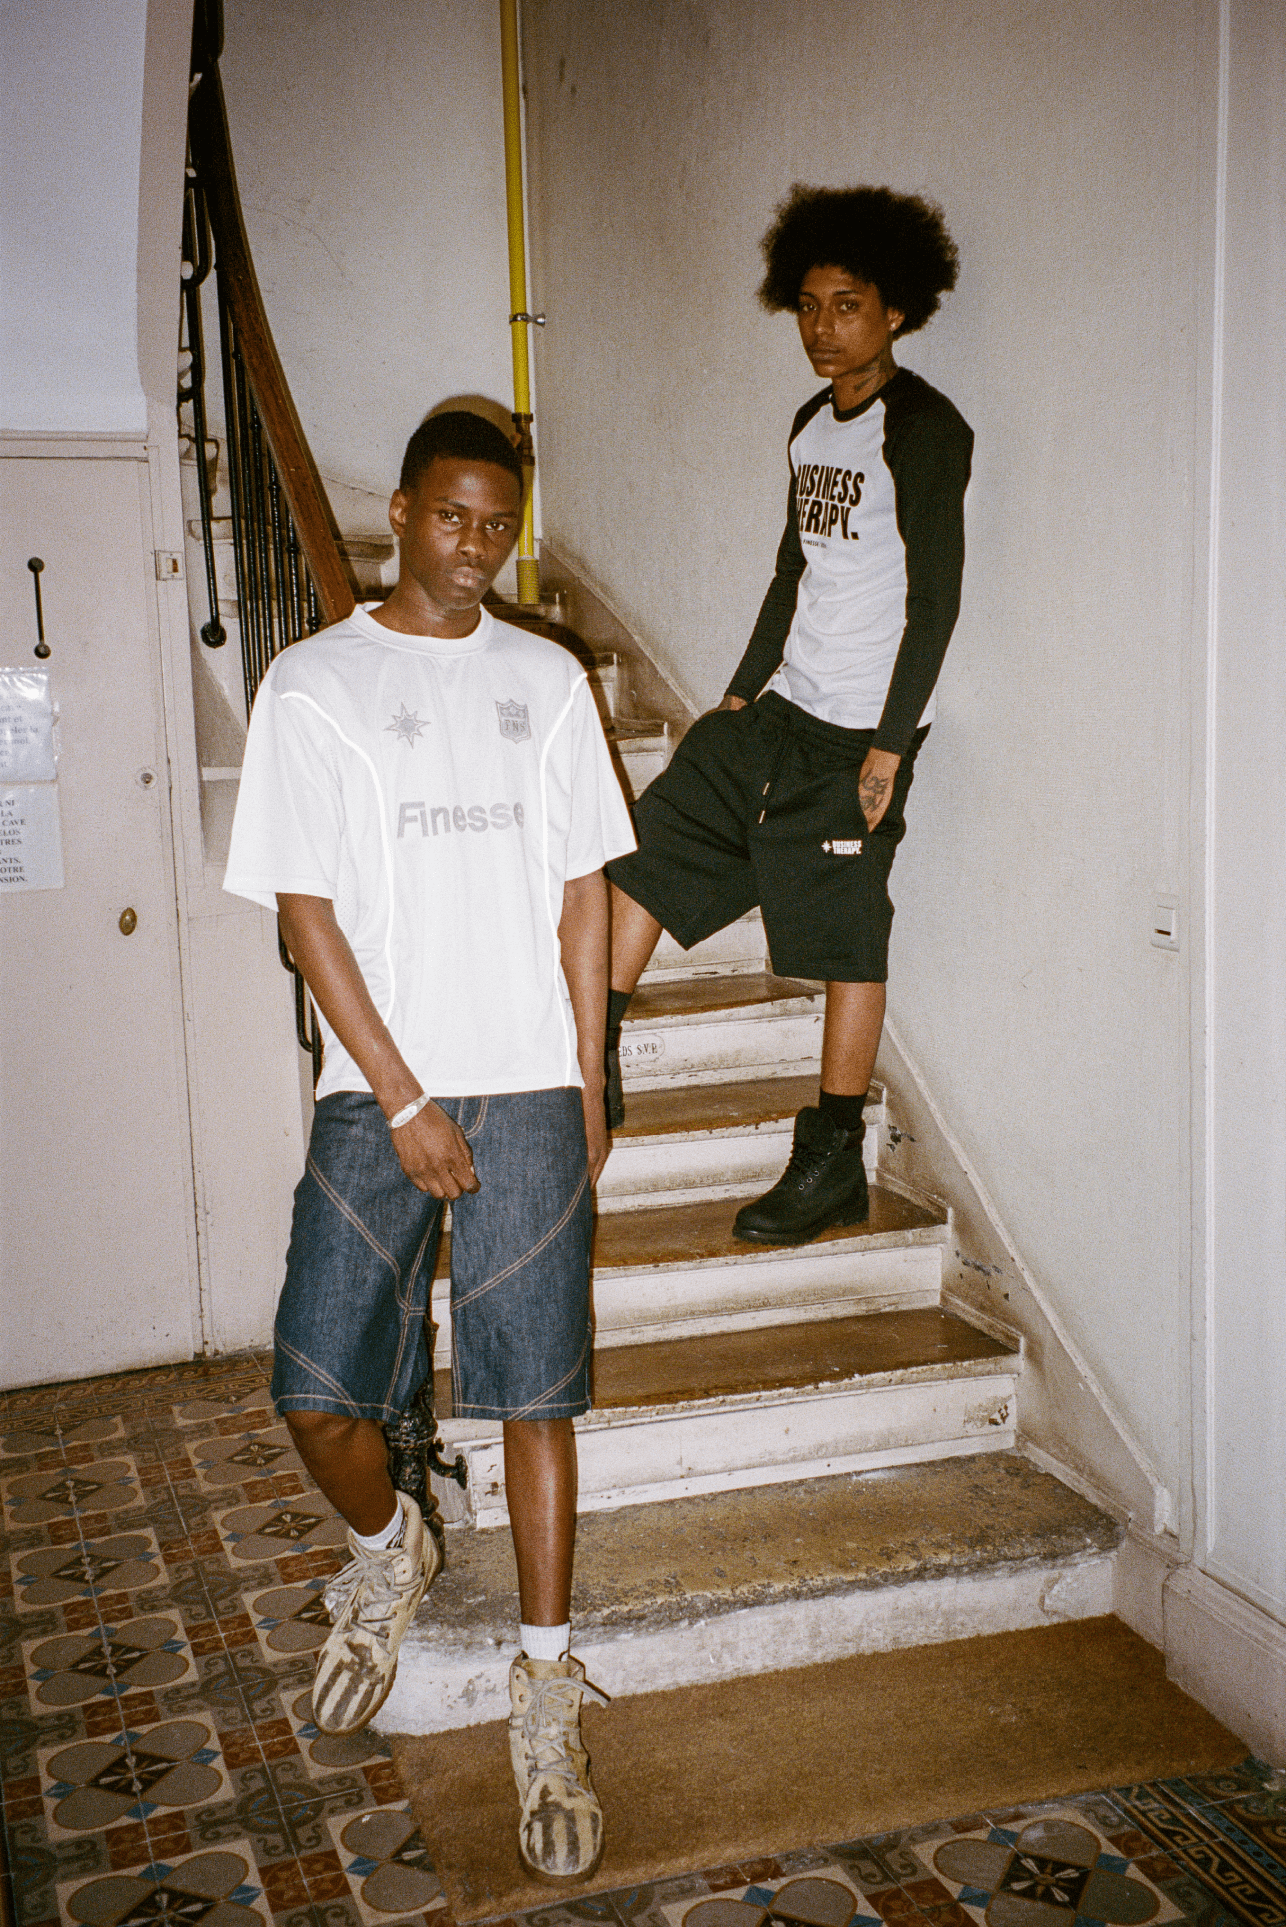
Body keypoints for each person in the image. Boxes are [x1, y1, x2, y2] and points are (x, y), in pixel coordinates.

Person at [223, 409, 635, 1884]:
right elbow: (307, 911)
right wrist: (398, 1093)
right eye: (453, 517)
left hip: (528, 1081)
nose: (476, 546)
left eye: (497, 524)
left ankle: (541, 1679)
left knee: (534, 1395)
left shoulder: (546, 677)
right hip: (377, 1089)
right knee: (317, 1382)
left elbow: (584, 884)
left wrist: (587, 1066)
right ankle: (390, 1546)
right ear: (399, 512)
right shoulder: (314, 680)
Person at [605, 184, 973, 1245]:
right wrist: (736, 687)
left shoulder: (924, 429)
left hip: (857, 731)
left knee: (846, 938)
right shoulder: (812, 424)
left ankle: (829, 1162)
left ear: (894, 309)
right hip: (778, 711)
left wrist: (889, 745)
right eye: (808, 305)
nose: (821, 328)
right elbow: (790, 568)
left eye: (846, 304)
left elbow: (935, 599)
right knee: (649, 840)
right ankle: (598, 1046)